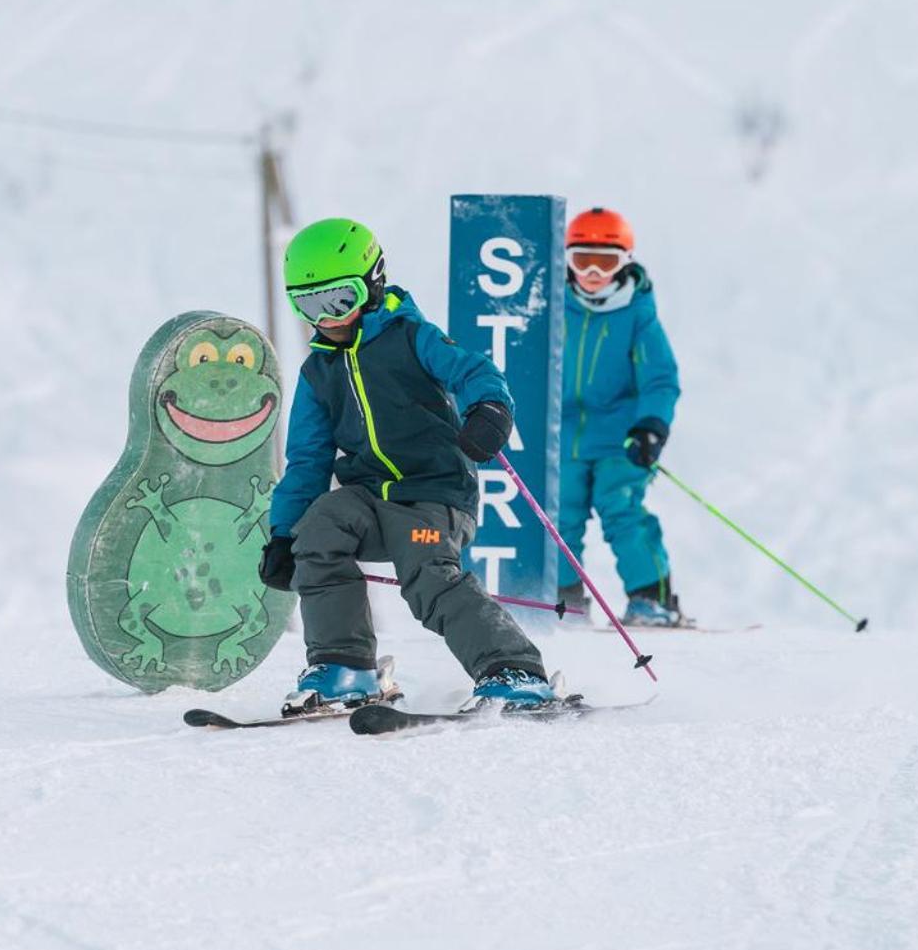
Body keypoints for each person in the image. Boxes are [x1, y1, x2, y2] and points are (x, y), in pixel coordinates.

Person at [257, 217, 554, 712]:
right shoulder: (318, 372)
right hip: (369, 498)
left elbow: (477, 372)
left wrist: (490, 410)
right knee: (320, 527)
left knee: (429, 578)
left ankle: (514, 669)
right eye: (308, 305)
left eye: (338, 301)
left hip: (434, 495)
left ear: (372, 284)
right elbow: (307, 458)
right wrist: (285, 533)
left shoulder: (412, 337)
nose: (326, 318)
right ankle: (344, 666)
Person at [558, 206, 685, 626]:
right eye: (582, 259)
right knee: (559, 513)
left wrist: (651, 426)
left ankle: (652, 597)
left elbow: (660, 379)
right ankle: (563, 598)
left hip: (620, 436)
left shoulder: (637, 313)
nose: (594, 272)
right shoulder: (553, 306)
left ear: (625, 262)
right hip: (560, 435)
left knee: (621, 507)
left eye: (607, 261)